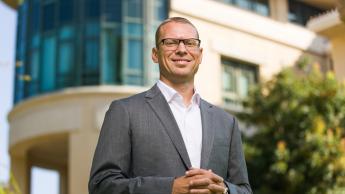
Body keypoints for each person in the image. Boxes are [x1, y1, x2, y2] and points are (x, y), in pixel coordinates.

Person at [89, 17, 252, 194]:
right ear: (154, 54)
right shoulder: (125, 111)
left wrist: (225, 190)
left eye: (190, 43)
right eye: (171, 42)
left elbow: (244, 189)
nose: (182, 49)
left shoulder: (227, 122)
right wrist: (169, 188)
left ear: (200, 54)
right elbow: (102, 185)